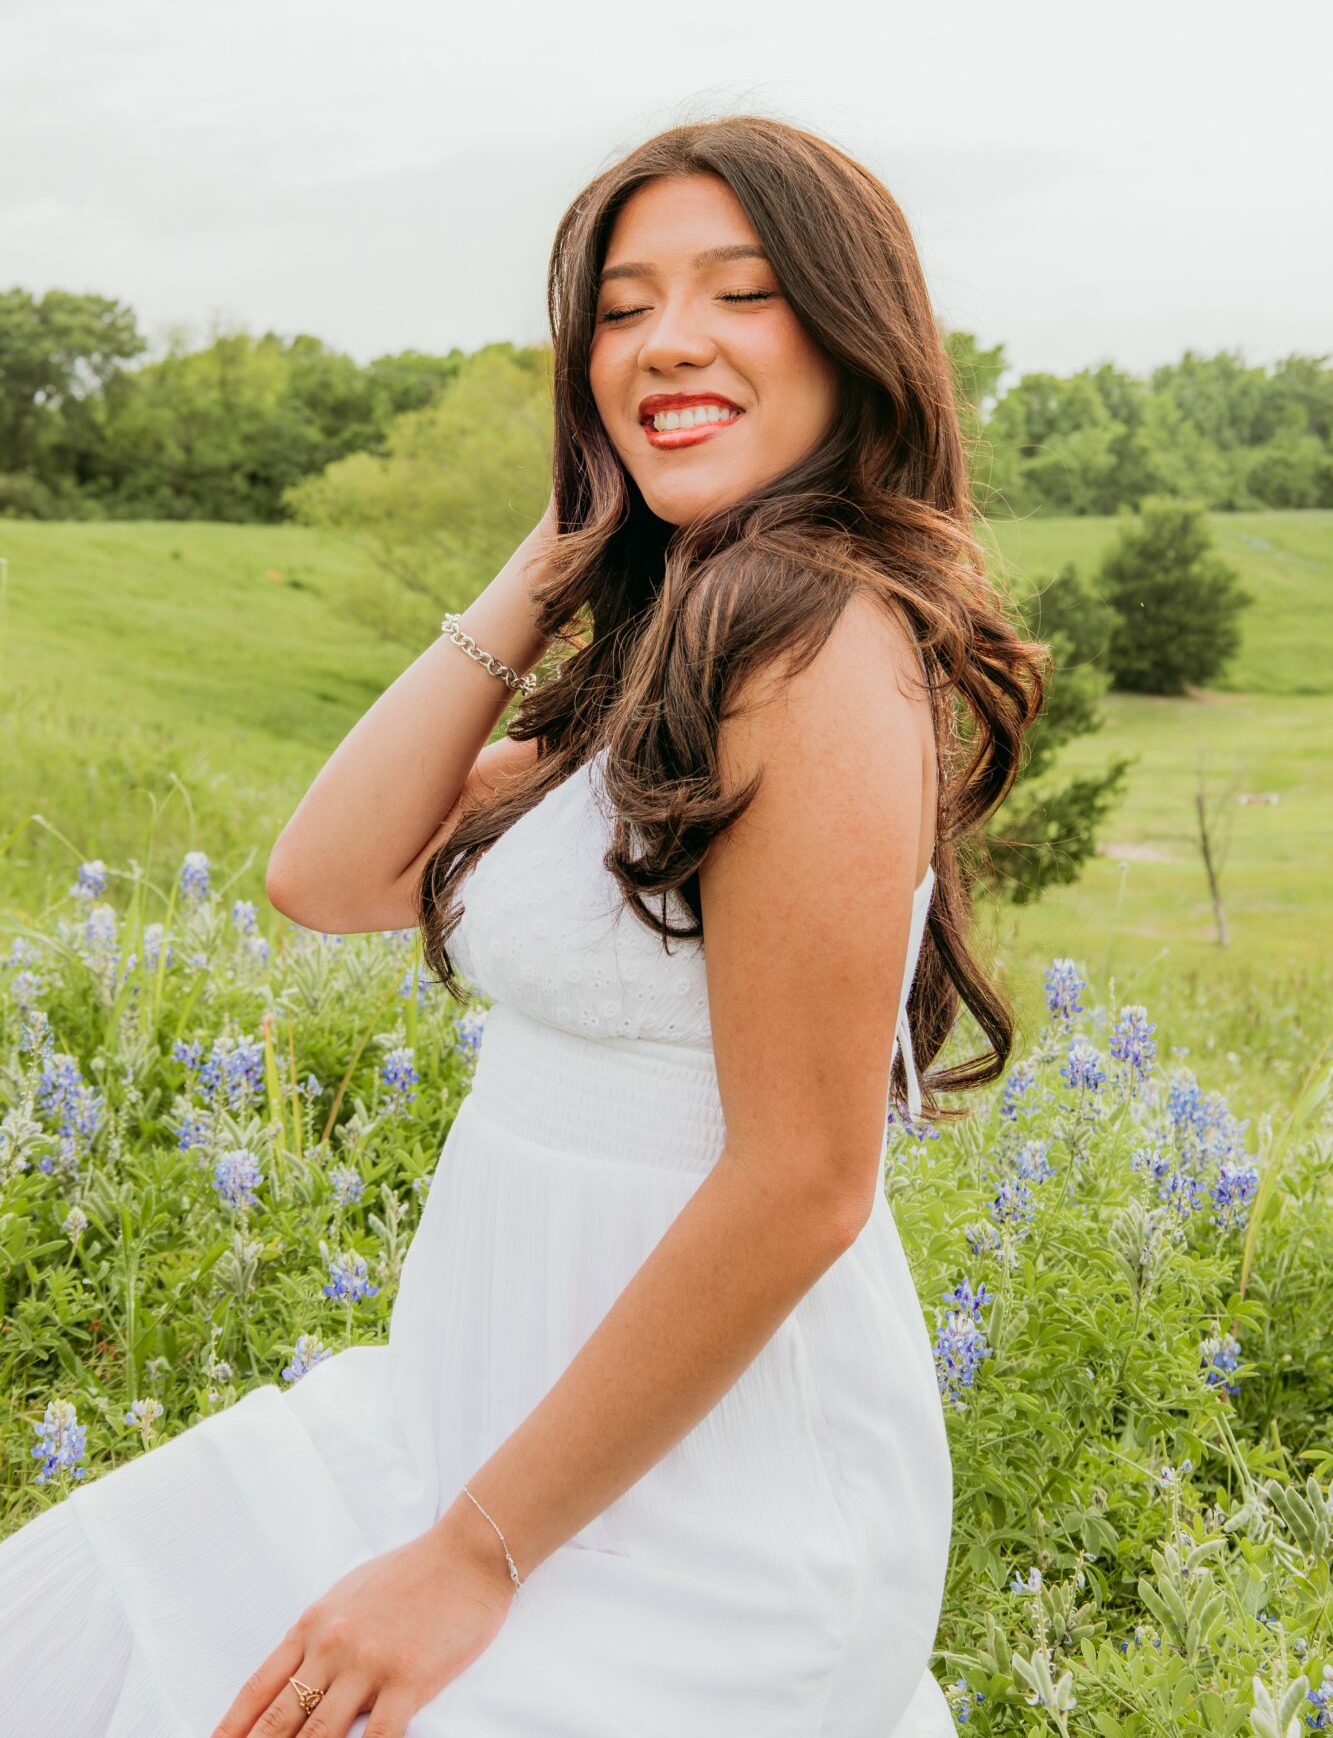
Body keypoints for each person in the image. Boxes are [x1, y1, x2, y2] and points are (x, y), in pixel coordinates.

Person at [0, 114, 1047, 1736]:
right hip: (471, 1422)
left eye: (737, 292)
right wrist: (551, 562)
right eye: (620, 309)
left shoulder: (812, 643)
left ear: (854, 338)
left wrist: (473, 1559)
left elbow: (805, 1182)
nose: (665, 342)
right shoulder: (679, 642)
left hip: (687, 1513)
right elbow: (329, 878)